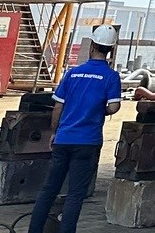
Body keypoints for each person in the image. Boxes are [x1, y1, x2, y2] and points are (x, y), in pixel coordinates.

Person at [30, 24, 124, 233]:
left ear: (92, 45)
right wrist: (97, 110)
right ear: (111, 50)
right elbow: (114, 106)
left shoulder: (73, 73)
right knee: (75, 195)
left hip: (64, 139)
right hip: (88, 142)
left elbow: (58, 106)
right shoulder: (111, 77)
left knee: (48, 191)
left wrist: (55, 131)